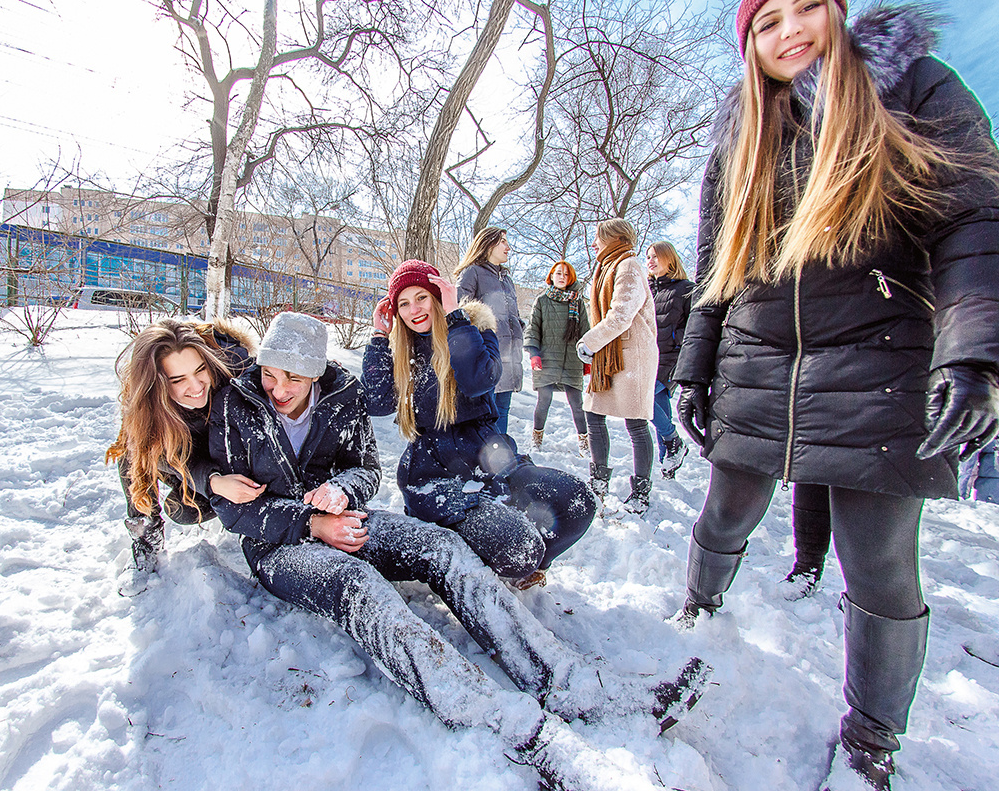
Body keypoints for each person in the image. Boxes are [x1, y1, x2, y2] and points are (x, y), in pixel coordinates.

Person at [671, 0, 999, 787]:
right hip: (757, 360)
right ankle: (699, 610)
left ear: (837, 11)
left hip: (880, 362)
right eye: (768, 21)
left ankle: (871, 742)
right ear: (750, 43)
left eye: (807, 6)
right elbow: (717, 269)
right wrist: (693, 367)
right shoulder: (740, 137)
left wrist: (975, 356)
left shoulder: (912, 86)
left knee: (879, 561)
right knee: (727, 511)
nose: (792, 33)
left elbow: (973, 220)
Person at [207, 311, 710, 790]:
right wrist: (314, 523)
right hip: (279, 542)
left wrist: (343, 492)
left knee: (441, 546)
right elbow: (235, 510)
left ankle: (565, 678)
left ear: (316, 373)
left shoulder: (342, 393)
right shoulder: (238, 402)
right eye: (271, 374)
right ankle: (486, 710)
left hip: (345, 516)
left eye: (293, 378)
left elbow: (365, 468)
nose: (279, 389)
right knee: (356, 585)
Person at [364, 260, 596, 589]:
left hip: (494, 460)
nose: (414, 309)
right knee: (520, 546)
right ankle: (465, 543)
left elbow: (477, 381)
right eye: (404, 303)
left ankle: (521, 568)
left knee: (577, 500)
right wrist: (378, 334)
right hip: (436, 477)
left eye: (422, 298)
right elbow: (376, 402)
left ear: (437, 295)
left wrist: (455, 317)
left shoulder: (474, 327)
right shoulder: (402, 349)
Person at [104, 318, 259, 596]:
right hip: (184, 455)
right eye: (178, 380)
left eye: (200, 370)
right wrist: (211, 482)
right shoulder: (147, 408)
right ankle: (144, 538)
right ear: (156, 385)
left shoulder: (235, 368)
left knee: (185, 510)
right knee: (131, 449)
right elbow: (163, 456)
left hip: (229, 457)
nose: (196, 386)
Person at [577, 219, 658, 515]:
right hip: (610, 355)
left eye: (598, 237)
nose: (594, 242)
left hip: (632, 355)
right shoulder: (606, 266)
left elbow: (621, 314)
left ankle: (641, 492)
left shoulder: (629, 266)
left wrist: (590, 342)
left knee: (636, 423)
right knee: (593, 413)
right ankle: (598, 482)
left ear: (613, 237)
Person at [455, 227, 523, 434]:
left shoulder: (507, 280)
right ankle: (483, 460)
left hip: (510, 357)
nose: (508, 247)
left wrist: (519, 327)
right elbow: (460, 310)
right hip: (486, 358)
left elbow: (513, 314)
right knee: (485, 413)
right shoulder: (472, 272)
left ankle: (501, 461)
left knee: (503, 411)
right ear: (488, 243)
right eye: (503, 241)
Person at [524, 260, 591, 456]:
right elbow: (533, 328)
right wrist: (534, 354)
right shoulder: (542, 301)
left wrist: (587, 357)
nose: (562, 277)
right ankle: (536, 440)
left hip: (572, 359)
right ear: (551, 276)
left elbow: (585, 331)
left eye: (566, 274)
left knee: (577, 404)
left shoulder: (577, 302)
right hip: (547, 359)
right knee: (544, 400)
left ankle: (584, 444)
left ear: (571, 278)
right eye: (558, 273)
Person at [645, 241, 694, 479]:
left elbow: (693, 326)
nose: (651, 261)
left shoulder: (686, 289)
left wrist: (679, 342)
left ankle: (674, 440)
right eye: (648, 257)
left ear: (669, 259)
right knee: (660, 407)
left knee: (642, 399)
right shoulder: (646, 289)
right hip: (646, 357)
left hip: (670, 359)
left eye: (656, 256)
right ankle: (669, 465)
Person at [959, 437, 998, 504]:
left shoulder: (988, 430)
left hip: (988, 495)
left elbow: (966, 467)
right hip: (990, 492)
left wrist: (961, 496)